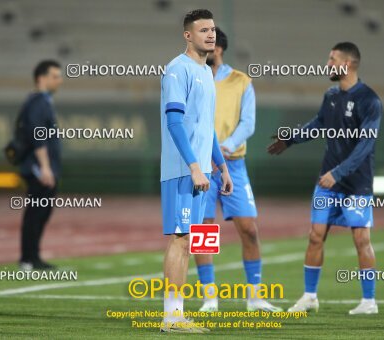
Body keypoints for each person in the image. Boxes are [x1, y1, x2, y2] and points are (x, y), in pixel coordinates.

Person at [268, 42, 382, 315]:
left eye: (332, 59)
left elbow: (364, 147)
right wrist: (290, 139)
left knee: (361, 240)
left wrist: (338, 173)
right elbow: (319, 124)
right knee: (315, 235)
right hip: (327, 183)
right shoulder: (331, 95)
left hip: (356, 184)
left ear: (348, 63)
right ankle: (309, 297)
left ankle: (369, 302)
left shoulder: (370, 100)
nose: (327, 64)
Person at [194, 27, 282, 313]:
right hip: (201, 166)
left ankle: (254, 297)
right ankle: (210, 298)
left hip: (233, 164)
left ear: (218, 48)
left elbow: (248, 123)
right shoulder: (192, 78)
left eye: (206, 44)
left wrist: (224, 148)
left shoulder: (241, 81)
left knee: (250, 230)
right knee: (204, 231)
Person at [160, 9, 233, 333]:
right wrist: (193, 167)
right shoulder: (177, 70)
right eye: (203, 30)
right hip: (183, 171)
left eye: (213, 29)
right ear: (187, 35)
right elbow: (174, 122)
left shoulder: (206, 73)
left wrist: (221, 167)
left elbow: (207, 128)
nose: (210, 34)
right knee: (180, 239)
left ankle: (177, 314)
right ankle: (171, 317)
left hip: (203, 172)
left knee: (191, 243)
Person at [19, 60, 63, 271]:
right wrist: (45, 168)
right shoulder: (38, 102)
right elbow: (38, 137)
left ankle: (33, 256)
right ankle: (28, 259)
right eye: (55, 76)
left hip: (44, 167)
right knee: (35, 214)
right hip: (39, 168)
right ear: (41, 78)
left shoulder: (43, 101)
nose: (59, 80)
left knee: (40, 213)